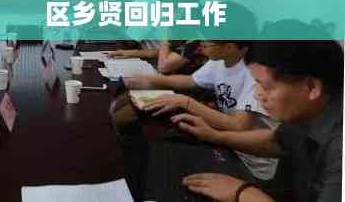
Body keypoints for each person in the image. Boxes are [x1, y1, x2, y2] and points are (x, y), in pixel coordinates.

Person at [176, 20, 343, 202]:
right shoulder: (310, 111)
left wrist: (243, 193)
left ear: (312, 87)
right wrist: (214, 136)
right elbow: (277, 142)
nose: (257, 95)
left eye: (265, 86)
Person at [125, 40, 278, 182]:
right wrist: (149, 79)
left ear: (229, 47)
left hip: (248, 162)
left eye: (206, 45)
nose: (201, 48)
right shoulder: (221, 60)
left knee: (166, 164)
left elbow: (239, 125)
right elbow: (191, 81)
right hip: (223, 139)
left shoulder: (254, 73)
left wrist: (186, 102)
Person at [108, 39, 203, 74]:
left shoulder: (195, 38)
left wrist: (165, 34)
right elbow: (167, 52)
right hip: (172, 78)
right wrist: (132, 53)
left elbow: (163, 67)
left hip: (187, 90)